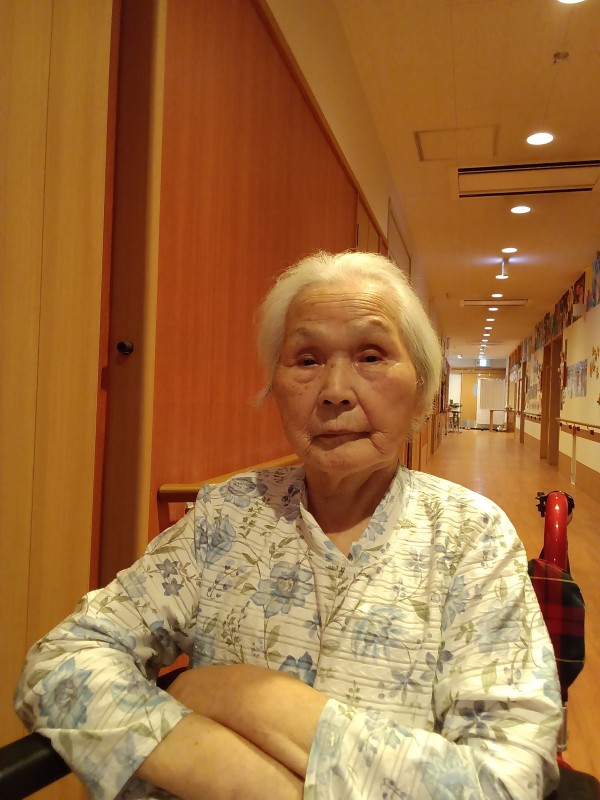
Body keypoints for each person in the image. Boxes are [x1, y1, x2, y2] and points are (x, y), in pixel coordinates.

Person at [15, 251, 561, 800]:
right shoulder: (227, 515)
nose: (335, 390)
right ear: (274, 385)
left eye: (371, 356)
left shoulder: (471, 535)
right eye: (306, 359)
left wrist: (250, 698)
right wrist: (236, 777)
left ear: (421, 387)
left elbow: (510, 777)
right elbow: (63, 660)